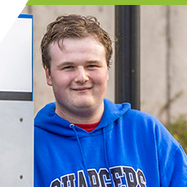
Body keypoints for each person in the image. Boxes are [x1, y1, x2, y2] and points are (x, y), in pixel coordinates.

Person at [34, 14, 187, 187]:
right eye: (68, 67)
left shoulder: (147, 132)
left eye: (92, 65)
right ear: (48, 74)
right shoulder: (30, 146)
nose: (82, 77)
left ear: (107, 70)